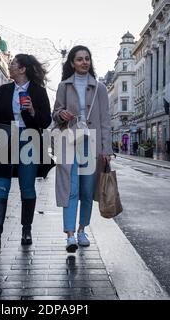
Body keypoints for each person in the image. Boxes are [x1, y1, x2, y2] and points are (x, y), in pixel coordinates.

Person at [0, 54, 52, 252]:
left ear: (23, 69)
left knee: (27, 186)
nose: (10, 66)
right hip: (3, 138)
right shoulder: (4, 90)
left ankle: (26, 230)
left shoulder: (38, 92)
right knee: (0, 186)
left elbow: (46, 122)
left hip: (29, 139)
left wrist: (33, 111)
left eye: (13, 64)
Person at [52, 45, 113, 253]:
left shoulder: (100, 88)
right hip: (69, 140)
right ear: (72, 63)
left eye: (87, 58)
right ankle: (69, 235)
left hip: (91, 142)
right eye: (79, 59)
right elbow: (55, 113)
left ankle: (81, 230)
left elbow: (105, 120)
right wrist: (62, 115)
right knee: (71, 188)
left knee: (87, 190)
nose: (84, 62)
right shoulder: (63, 86)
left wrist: (106, 149)